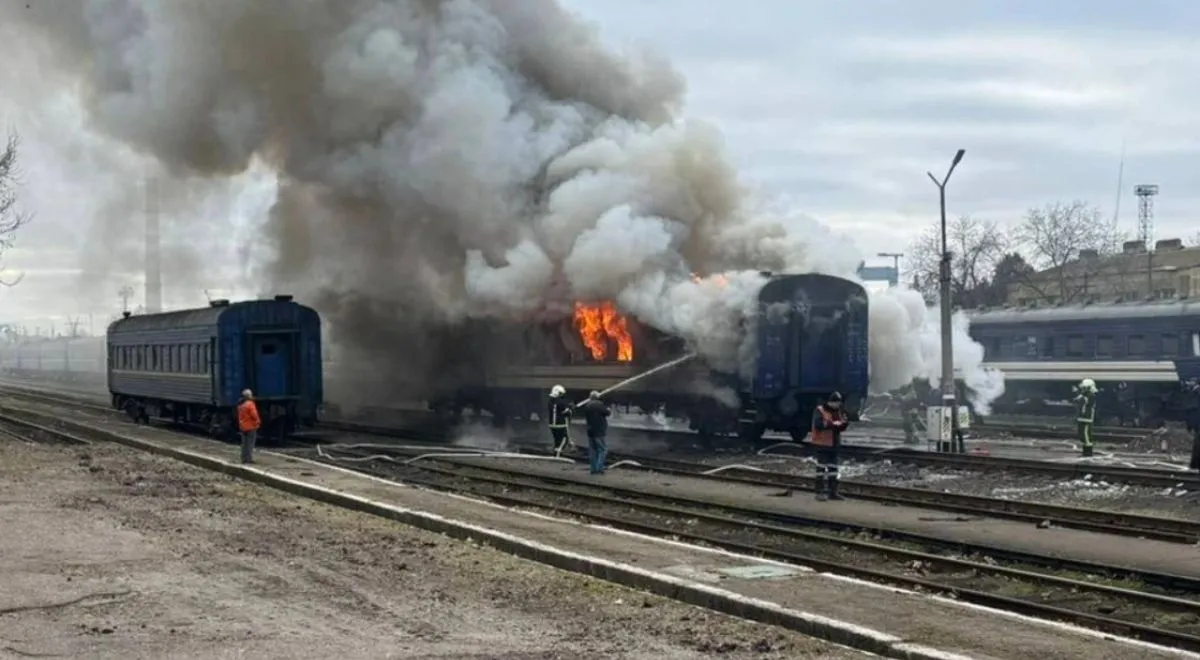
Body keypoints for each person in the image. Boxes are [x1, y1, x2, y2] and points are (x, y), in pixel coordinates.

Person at [811, 391, 858, 501]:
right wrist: (833, 424)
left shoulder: (838, 411)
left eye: (839, 403)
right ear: (830, 402)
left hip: (834, 445)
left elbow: (840, 426)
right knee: (821, 469)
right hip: (822, 445)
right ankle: (820, 492)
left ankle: (833, 492)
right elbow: (818, 425)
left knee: (834, 470)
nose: (837, 405)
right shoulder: (820, 410)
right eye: (836, 403)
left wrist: (845, 423)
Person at [578, 390, 610, 475]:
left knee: (593, 451)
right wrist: (608, 409)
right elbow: (607, 413)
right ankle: (599, 469)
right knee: (602, 450)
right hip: (599, 431)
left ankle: (593, 469)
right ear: (598, 397)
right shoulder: (600, 404)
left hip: (590, 431)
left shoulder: (587, 406)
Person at [547, 384, 574, 455]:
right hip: (560, 424)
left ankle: (556, 453)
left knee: (557, 441)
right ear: (558, 393)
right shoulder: (561, 402)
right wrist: (571, 408)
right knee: (565, 439)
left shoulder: (550, 402)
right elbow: (567, 413)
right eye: (561, 393)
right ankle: (558, 454)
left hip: (552, 425)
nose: (562, 395)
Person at [1073, 378, 1098, 458]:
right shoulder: (1085, 396)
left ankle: (1088, 453)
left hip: (1086, 419)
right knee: (1082, 435)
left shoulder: (1090, 396)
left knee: (1086, 435)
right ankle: (1085, 451)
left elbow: (1082, 400)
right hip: (1082, 418)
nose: (1082, 389)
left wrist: (1078, 394)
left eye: (1084, 388)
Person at [237, 388, 262, 464]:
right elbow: (254, 414)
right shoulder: (250, 404)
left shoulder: (241, 405)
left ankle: (243, 458)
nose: (252, 396)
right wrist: (258, 421)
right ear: (248, 396)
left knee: (244, 444)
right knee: (250, 444)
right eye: (251, 395)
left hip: (243, 426)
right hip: (250, 427)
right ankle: (249, 459)